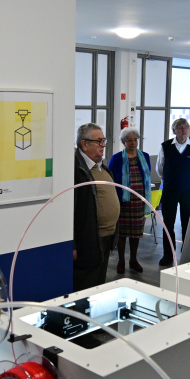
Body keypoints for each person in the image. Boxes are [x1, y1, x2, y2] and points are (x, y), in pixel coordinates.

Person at [73, 123, 120, 291]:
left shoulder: (101, 167)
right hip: (88, 240)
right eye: (99, 141)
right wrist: (72, 244)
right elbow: (69, 210)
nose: (103, 145)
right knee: (86, 286)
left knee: (98, 285)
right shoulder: (76, 169)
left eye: (104, 140)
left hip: (106, 239)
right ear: (84, 144)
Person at [156, 118, 190, 266]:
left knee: (187, 223)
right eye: (180, 128)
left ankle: (186, 253)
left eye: (185, 128)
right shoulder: (165, 146)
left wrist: (185, 181)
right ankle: (168, 254)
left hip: (189, 190)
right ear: (174, 130)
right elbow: (160, 168)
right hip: (170, 190)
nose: (183, 131)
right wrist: (170, 180)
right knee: (168, 223)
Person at [108, 127, 152, 273]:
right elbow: (110, 179)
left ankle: (133, 259)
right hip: (123, 202)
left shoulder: (145, 156)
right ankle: (121, 261)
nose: (133, 143)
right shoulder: (116, 158)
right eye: (129, 140)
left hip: (139, 202)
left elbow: (147, 177)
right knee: (122, 234)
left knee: (136, 234)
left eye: (135, 140)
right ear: (123, 142)